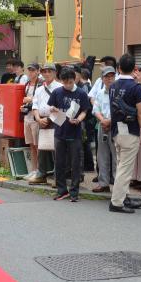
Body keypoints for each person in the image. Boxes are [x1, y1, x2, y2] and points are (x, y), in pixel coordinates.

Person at [109, 54, 141, 213]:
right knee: (125, 169)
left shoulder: (112, 85)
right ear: (135, 68)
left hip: (116, 130)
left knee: (121, 166)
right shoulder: (136, 88)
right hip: (130, 131)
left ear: (118, 68)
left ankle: (124, 196)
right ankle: (116, 203)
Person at [48, 67, 90, 202]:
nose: (68, 85)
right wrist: (54, 109)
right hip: (59, 132)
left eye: (70, 82)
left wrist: (79, 119)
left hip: (75, 132)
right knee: (59, 163)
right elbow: (51, 109)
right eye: (65, 82)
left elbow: (85, 111)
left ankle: (74, 191)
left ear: (75, 79)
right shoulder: (57, 92)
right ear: (61, 80)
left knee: (75, 163)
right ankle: (61, 190)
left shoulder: (81, 94)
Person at [31, 63, 62, 184]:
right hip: (41, 119)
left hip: (56, 120)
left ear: (55, 73)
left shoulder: (60, 87)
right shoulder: (39, 89)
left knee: (57, 149)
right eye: (44, 71)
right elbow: (35, 105)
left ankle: (57, 176)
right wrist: (38, 119)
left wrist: (48, 119)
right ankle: (41, 173)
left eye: (50, 71)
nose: (47, 74)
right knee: (42, 148)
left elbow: (61, 108)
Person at [92, 67, 117, 192]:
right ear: (102, 79)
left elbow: (120, 110)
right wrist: (103, 120)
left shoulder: (119, 92)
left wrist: (109, 121)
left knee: (116, 157)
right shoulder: (100, 93)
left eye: (112, 76)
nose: (110, 79)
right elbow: (96, 109)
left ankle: (117, 185)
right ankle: (104, 183)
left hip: (116, 126)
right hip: (102, 126)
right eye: (107, 76)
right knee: (102, 155)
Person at [20, 63, 41, 183]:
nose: (31, 72)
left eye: (33, 70)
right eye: (29, 70)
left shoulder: (41, 83)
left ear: (38, 71)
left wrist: (30, 99)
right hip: (27, 116)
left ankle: (39, 171)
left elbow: (43, 99)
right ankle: (33, 170)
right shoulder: (27, 84)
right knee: (31, 144)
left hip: (36, 117)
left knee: (38, 145)